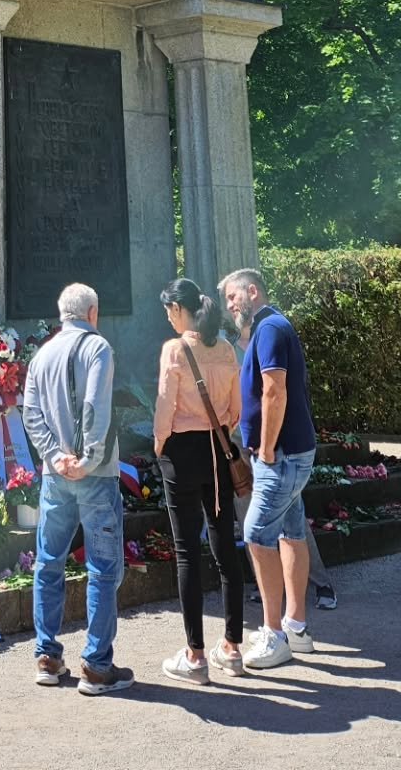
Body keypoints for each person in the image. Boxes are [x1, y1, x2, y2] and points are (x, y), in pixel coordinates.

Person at [21, 282, 134, 695]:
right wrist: (86, 459)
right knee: (103, 570)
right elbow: (95, 406)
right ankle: (97, 666)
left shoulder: (41, 355)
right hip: (96, 475)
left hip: (55, 477)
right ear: (92, 313)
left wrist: (54, 457)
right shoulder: (98, 347)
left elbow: (31, 413)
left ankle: (47, 657)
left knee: (48, 563)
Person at [219, 267, 318, 668]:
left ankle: (275, 635)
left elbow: (274, 389)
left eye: (232, 298)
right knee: (292, 533)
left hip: (281, 456)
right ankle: (296, 627)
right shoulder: (270, 327)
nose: (229, 307)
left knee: (258, 535)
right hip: (290, 452)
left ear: (252, 292)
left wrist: (268, 446)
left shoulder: (271, 328)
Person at [152, 277, 248, 683]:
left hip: (181, 451)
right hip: (218, 448)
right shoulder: (225, 348)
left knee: (187, 550)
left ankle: (195, 656)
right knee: (225, 545)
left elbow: (163, 407)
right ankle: (232, 647)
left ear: (178, 310)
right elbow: (237, 408)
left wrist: (159, 447)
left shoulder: (174, 349)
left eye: (168, 312)